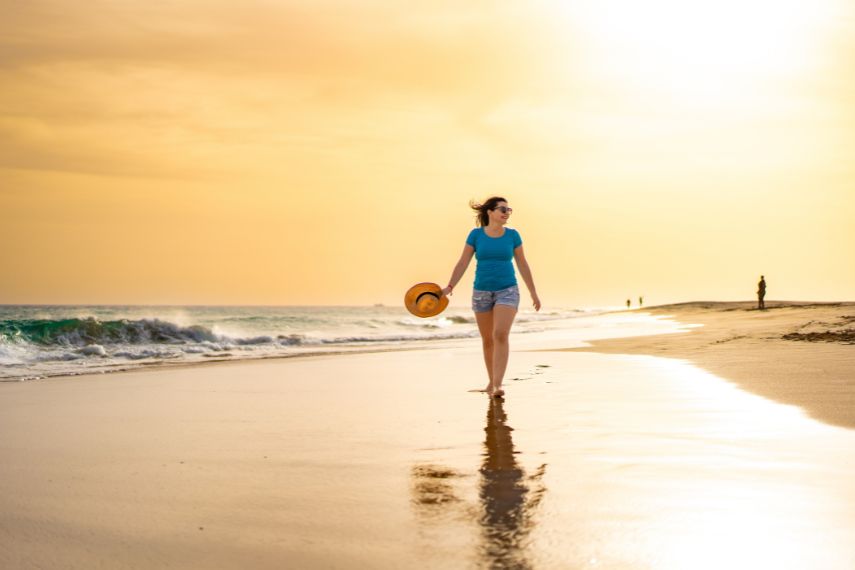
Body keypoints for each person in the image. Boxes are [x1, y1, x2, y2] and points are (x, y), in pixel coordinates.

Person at [442, 197, 541, 398]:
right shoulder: (476, 235)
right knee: (488, 340)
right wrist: (450, 286)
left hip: (508, 290)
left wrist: (533, 292)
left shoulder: (512, 235)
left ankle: (497, 385)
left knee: (500, 334)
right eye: (502, 209)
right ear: (490, 212)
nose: (506, 213)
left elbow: (523, 264)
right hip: (481, 292)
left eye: (509, 210)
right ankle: (491, 381)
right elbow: (463, 263)